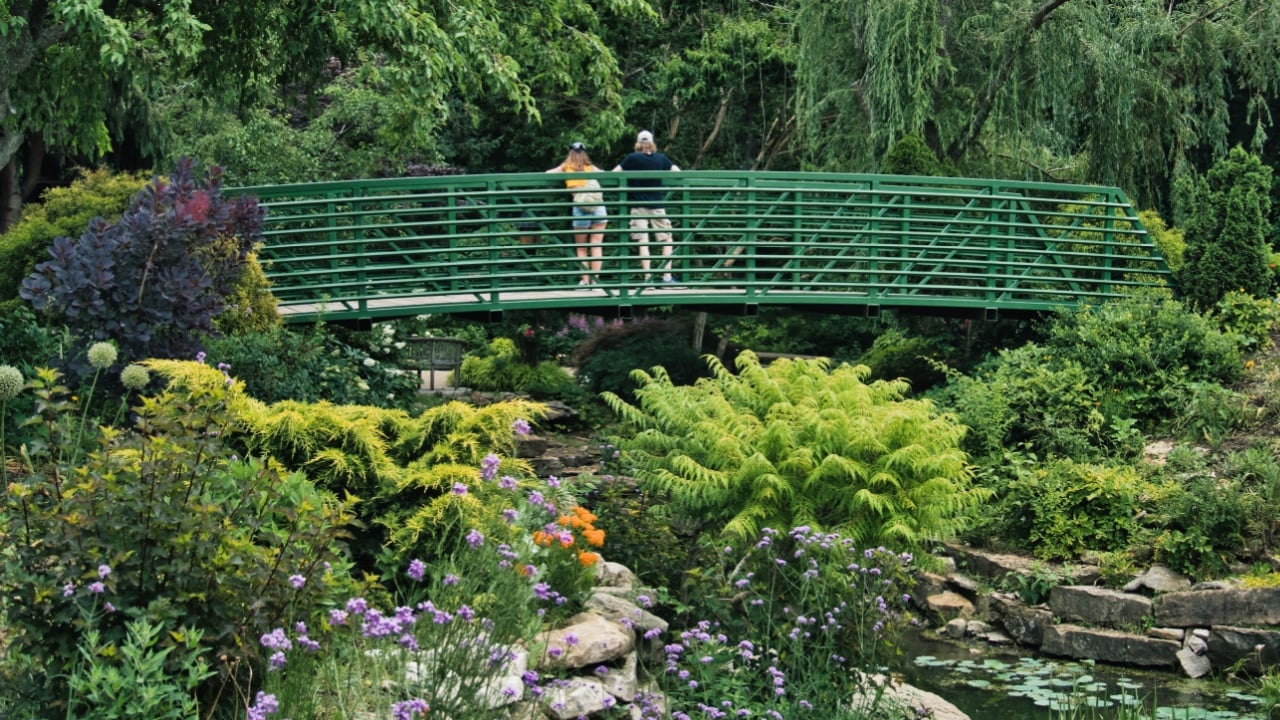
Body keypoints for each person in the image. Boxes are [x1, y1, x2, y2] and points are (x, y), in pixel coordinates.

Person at [613, 130, 680, 283]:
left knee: (643, 241)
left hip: (638, 205)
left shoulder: (631, 158)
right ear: (652, 143)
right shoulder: (661, 158)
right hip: (657, 204)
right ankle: (667, 277)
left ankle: (647, 280)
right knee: (667, 239)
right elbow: (677, 172)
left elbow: (614, 173)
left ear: (638, 144)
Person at [547, 141, 607, 286]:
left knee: (581, 248)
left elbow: (548, 174)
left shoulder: (566, 167)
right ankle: (596, 281)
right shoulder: (590, 167)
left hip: (580, 207)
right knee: (596, 245)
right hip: (597, 206)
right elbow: (605, 174)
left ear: (570, 153)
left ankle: (585, 282)